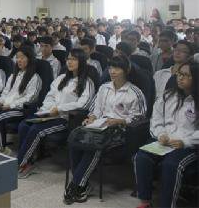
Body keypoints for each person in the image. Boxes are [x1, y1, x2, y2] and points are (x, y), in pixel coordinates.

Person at [64, 55, 147, 205]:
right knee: (76, 140)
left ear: (126, 70)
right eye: (110, 68)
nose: (112, 71)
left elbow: (140, 118)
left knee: (94, 147)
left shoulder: (134, 92)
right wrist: (92, 117)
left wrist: (120, 120)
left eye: (117, 68)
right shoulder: (104, 87)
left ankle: (77, 185)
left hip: (121, 130)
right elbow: (96, 109)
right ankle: (81, 182)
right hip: (100, 126)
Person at [17, 48, 95, 177]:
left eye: (74, 59)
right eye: (68, 59)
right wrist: (47, 110)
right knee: (24, 125)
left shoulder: (87, 82)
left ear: (81, 61)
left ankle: (21, 164)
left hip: (66, 119)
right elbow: (50, 96)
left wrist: (59, 109)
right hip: (50, 115)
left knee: (36, 130)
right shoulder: (61, 78)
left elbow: (84, 104)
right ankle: (28, 160)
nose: (69, 62)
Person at [133, 60, 198, 208]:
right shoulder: (168, 95)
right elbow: (156, 119)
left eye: (186, 75)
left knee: (171, 165)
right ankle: (145, 202)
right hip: (164, 141)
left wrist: (185, 142)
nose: (180, 78)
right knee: (141, 157)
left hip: (188, 146)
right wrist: (160, 134)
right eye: (179, 74)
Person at [0, 47, 42, 153]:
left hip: (22, 109)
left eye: (22, 57)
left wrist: (11, 106)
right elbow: (6, 92)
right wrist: (0, 101)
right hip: (7, 106)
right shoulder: (14, 75)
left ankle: (1, 149)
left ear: (29, 59)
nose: (19, 60)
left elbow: (30, 99)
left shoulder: (35, 78)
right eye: (17, 58)